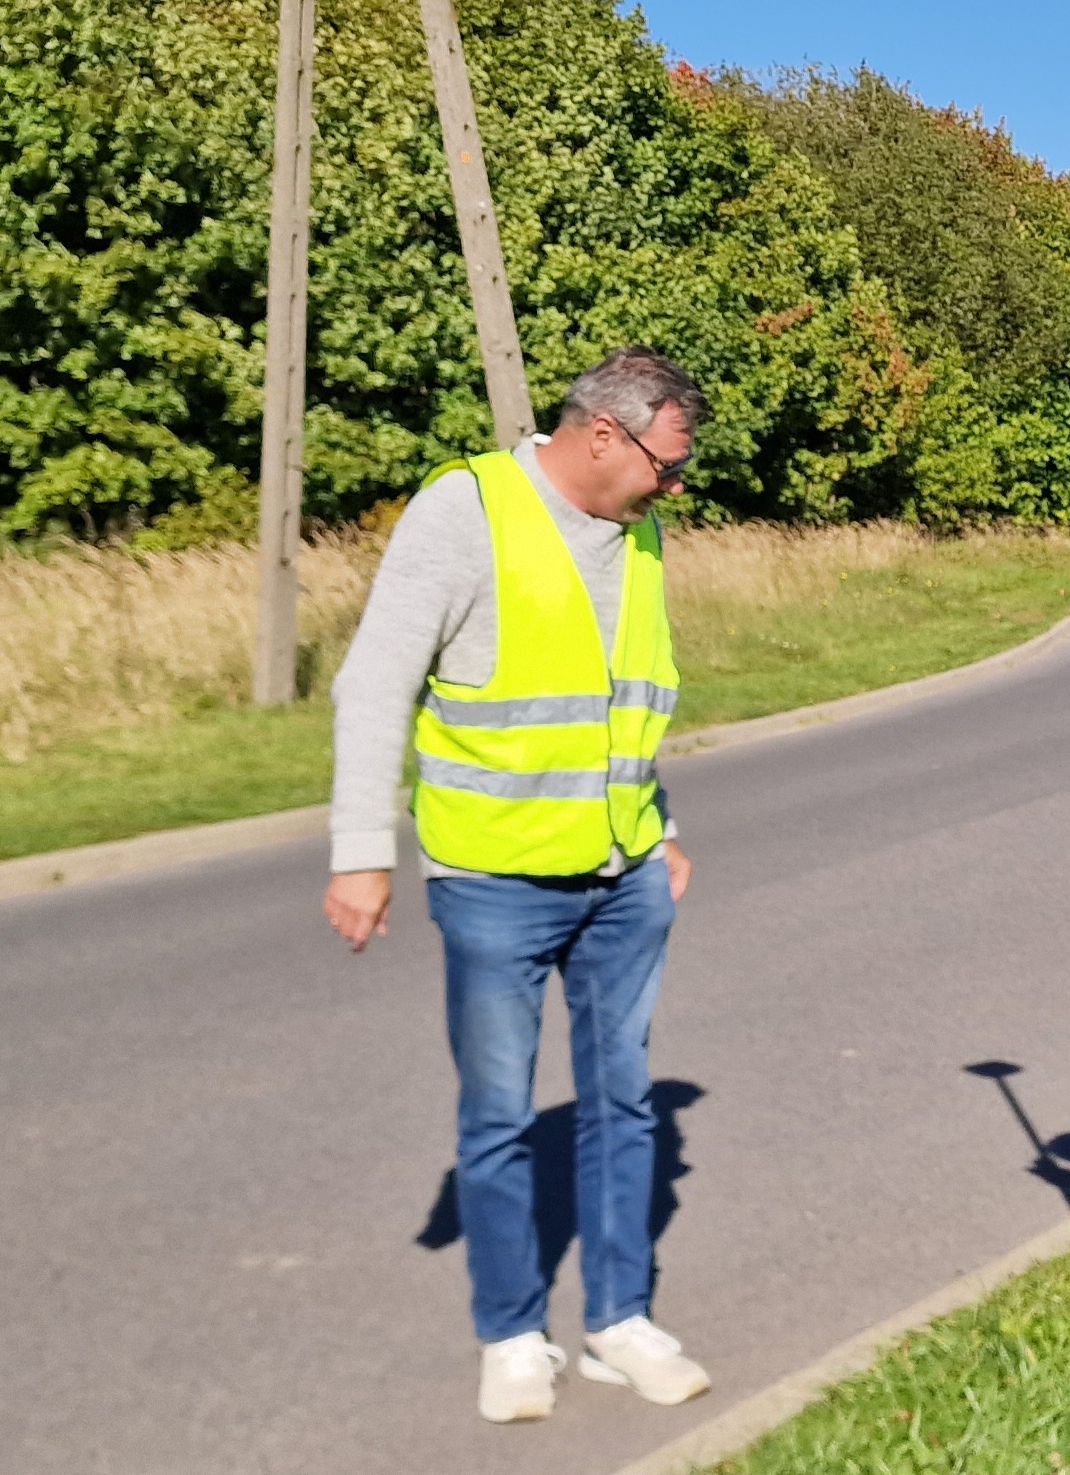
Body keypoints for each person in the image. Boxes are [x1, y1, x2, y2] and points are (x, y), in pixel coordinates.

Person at [322, 348, 711, 1424]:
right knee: (497, 1116)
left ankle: (620, 1320)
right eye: (664, 466)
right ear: (600, 434)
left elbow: (616, 696)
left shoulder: (641, 534)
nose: (671, 488)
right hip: (494, 880)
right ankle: (511, 1333)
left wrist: (662, 823)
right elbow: (375, 683)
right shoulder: (467, 510)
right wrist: (361, 847)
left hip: (622, 874)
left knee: (621, 1104)